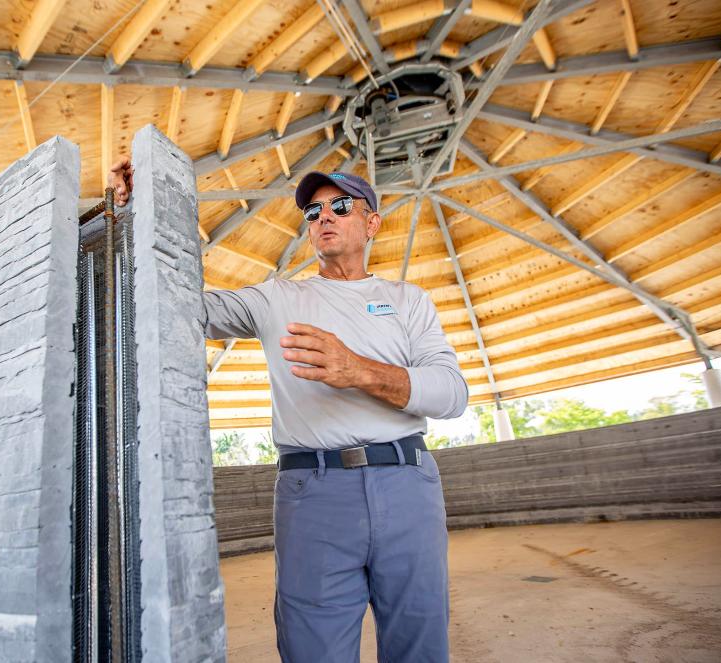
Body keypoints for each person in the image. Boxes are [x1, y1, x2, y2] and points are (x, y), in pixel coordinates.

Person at [108, 156, 468, 663]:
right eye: (313, 211)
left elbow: (453, 393)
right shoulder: (277, 297)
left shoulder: (407, 300)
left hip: (408, 485)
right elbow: (179, 305)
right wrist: (136, 218)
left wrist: (357, 369)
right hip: (314, 492)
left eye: (340, 206)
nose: (324, 217)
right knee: (312, 647)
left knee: (420, 641)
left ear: (372, 223)